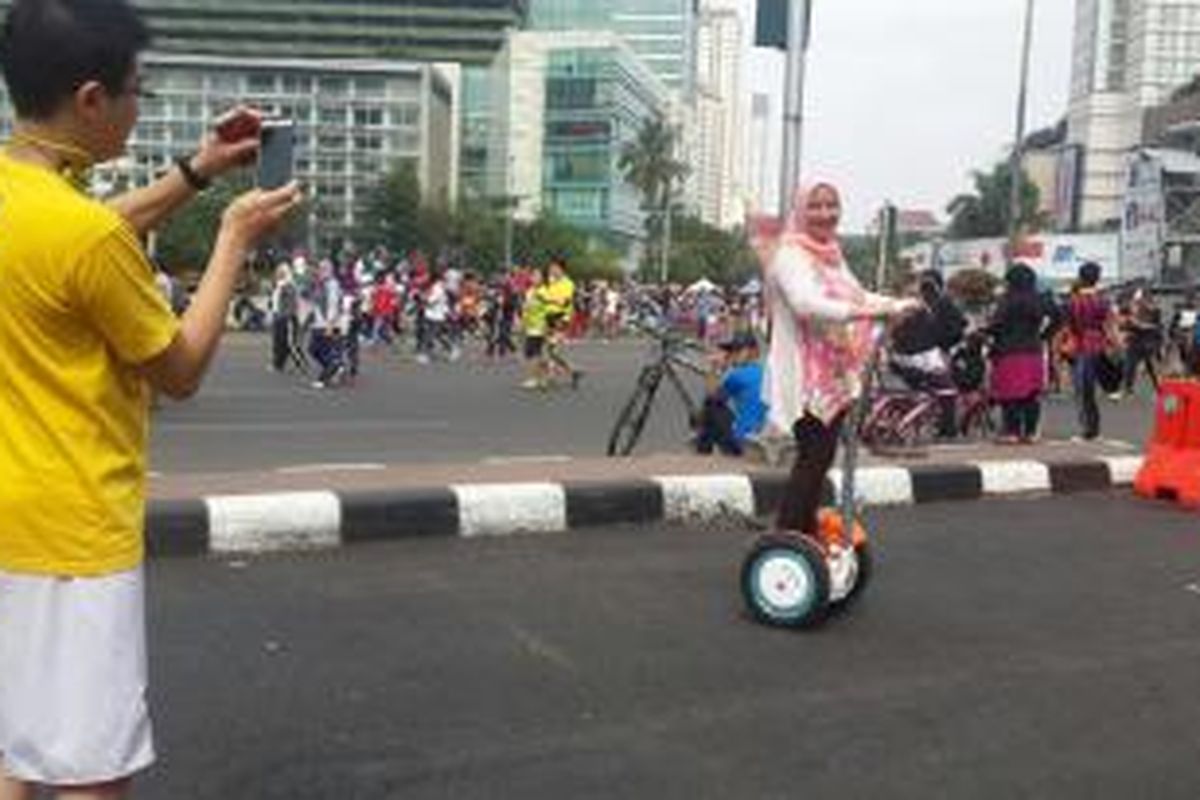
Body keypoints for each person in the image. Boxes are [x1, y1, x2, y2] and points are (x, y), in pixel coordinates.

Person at [0, 1, 301, 797]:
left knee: (15, 750)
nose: (142, 108)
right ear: (92, 98)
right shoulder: (87, 239)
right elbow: (181, 369)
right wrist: (234, 239)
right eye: (140, 91)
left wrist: (197, 172)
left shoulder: (37, 207)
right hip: (72, 537)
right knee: (92, 773)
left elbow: (79, 235)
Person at [759, 183, 916, 539]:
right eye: (815, 206)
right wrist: (863, 313)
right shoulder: (790, 254)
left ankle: (801, 534)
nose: (825, 213)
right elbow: (805, 303)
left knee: (821, 458)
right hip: (805, 376)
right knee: (812, 457)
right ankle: (787, 540)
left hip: (832, 374)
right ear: (800, 211)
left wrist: (893, 304)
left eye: (832, 205)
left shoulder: (831, 254)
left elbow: (857, 295)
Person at [985, 263, 1060, 444]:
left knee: (1010, 395)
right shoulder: (1040, 299)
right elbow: (1058, 317)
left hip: (1009, 352)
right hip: (1033, 351)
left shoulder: (1006, 300)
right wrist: (1044, 335)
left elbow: (996, 326)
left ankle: (1012, 432)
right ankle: (1031, 432)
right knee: (1031, 395)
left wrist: (986, 332)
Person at [1065, 261, 1117, 441]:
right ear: (1097, 279)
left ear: (1080, 278)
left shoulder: (1074, 301)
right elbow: (1110, 324)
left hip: (1082, 346)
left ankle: (1089, 430)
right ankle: (1093, 429)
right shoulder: (1103, 300)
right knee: (1092, 389)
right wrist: (1114, 344)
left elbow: (1071, 327)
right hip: (1099, 345)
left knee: (1084, 391)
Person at [693, 332, 768, 456]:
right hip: (763, 431)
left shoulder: (738, 375)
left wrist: (715, 366)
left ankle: (702, 455)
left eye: (738, 351)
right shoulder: (764, 371)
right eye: (732, 351)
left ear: (754, 352)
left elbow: (712, 394)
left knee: (711, 407)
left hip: (745, 439)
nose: (733, 355)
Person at [539, 256, 583, 388]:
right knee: (552, 351)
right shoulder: (550, 282)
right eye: (551, 267)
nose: (552, 269)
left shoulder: (568, 283)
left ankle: (549, 378)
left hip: (560, 319)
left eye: (555, 267)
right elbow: (542, 296)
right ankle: (573, 371)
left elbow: (564, 302)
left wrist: (549, 301)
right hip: (548, 318)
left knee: (550, 349)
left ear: (562, 269)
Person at [1120, 287, 1162, 395]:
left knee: (1152, 366)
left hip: (1149, 341)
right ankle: (1128, 388)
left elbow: (1158, 326)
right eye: (1136, 300)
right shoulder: (1130, 310)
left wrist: (1144, 326)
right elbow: (1124, 325)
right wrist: (1128, 325)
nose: (1138, 302)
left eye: (1140, 299)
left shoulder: (1155, 310)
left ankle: (1159, 387)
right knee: (1130, 366)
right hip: (1134, 340)